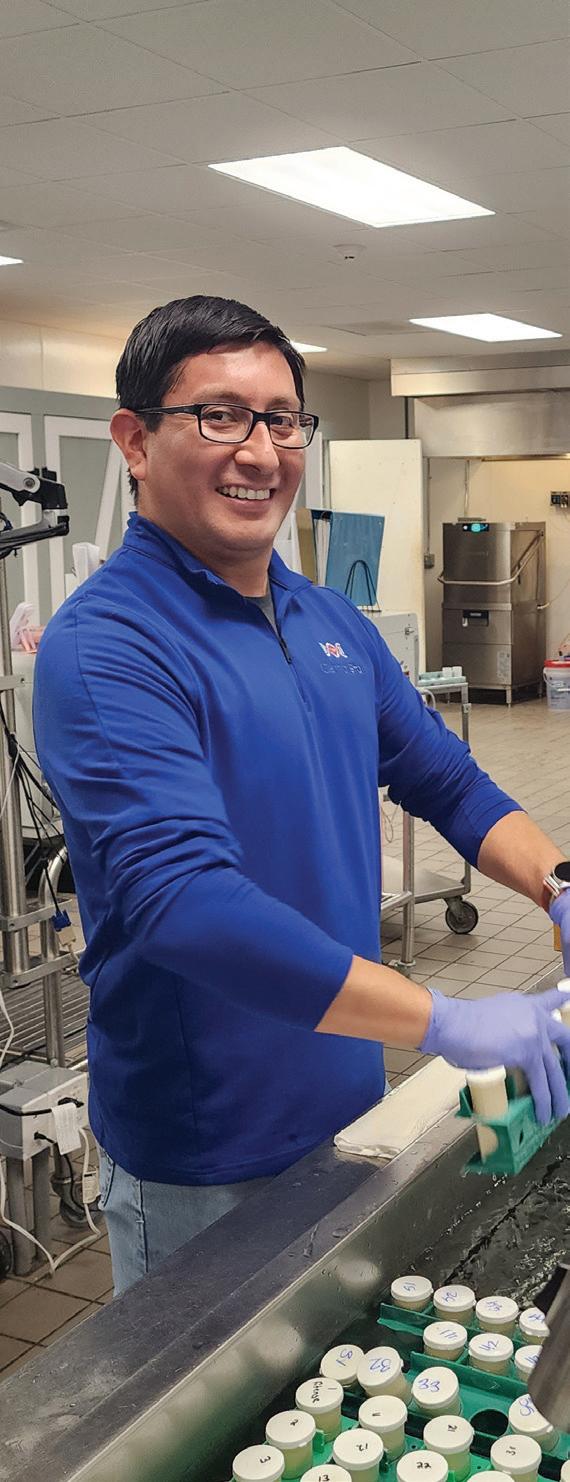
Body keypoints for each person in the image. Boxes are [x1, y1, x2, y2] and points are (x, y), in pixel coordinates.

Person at [33, 296, 570, 1296]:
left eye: (282, 420)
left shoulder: (329, 621)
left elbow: (445, 779)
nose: (261, 451)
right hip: (208, 1152)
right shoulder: (108, 647)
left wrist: (558, 882)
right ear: (135, 441)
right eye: (221, 415)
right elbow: (187, 906)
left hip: (352, 1099)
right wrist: (446, 1020)